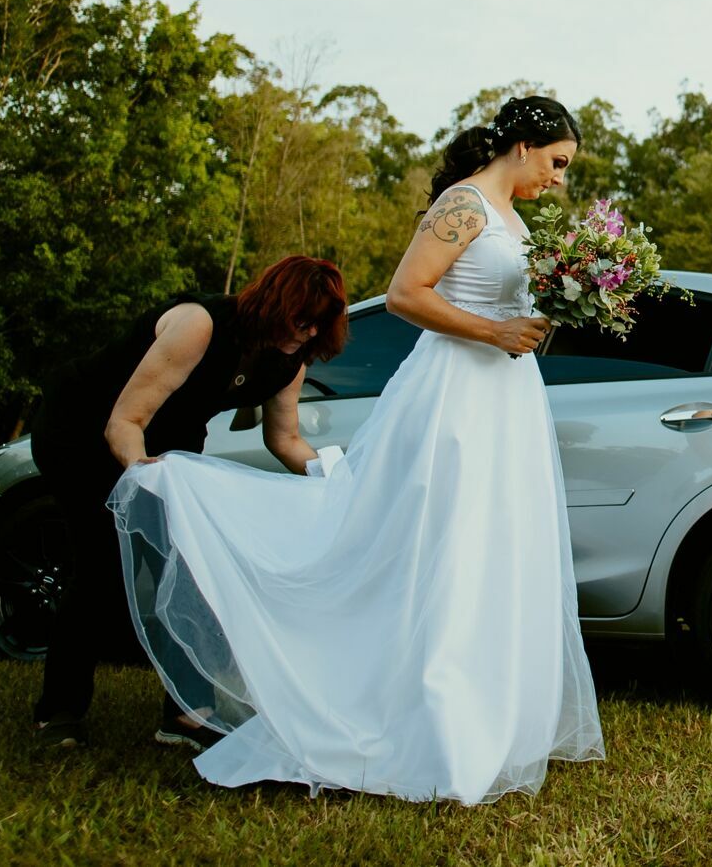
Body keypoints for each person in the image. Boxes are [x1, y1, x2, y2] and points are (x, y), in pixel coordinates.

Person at [108, 97, 605, 805]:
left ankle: (485, 718)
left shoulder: (516, 219)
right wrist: (493, 333)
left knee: (491, 547)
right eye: (557, 162)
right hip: (456, 397)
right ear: (523, 145)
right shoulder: (463, 205)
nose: (559, 178)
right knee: (444, 546)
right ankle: (428, 722)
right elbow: (405, 296)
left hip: (506, 397)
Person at [28, 255, 350, 750]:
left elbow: (284, 439)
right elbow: (125, 422)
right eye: (302, 320)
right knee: (101, 567)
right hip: (84, 429)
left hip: (171, 441)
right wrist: (141, 474)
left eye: (319, 326)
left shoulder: (291, 358)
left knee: (190, 570)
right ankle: (58, 713)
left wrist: (337, 481)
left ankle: (187, 713)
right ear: (275, 304)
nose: (308, 333)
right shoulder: (199, 324)